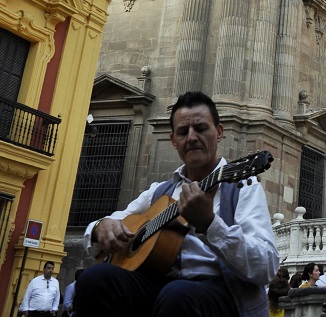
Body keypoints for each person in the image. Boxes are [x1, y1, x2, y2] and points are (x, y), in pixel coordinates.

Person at [74, 90, 279, 317]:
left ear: (219, 132)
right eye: (183, 131)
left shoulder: (243, 187)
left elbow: (267, 267)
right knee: (94, 279)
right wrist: (101, 226)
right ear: (173, 140)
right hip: (160, 290)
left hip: (220, 296)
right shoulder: (159, 192)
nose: (191, 137)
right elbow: (111, 225)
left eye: (201, 128)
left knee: (177, 294)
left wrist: (210, 225)